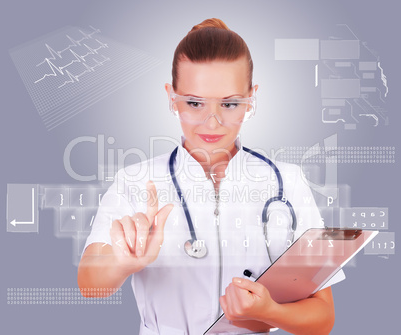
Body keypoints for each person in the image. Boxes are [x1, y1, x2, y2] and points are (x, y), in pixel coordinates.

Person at [78, 18, 345, 335]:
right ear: (171, 97)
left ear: (251, 98)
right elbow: (89, 284)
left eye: (230, 104)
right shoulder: (135, 180)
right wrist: (123, 263)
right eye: (194, 102)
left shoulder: (287, 181)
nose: (212, 122)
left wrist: (269, 311)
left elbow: (322, 317)